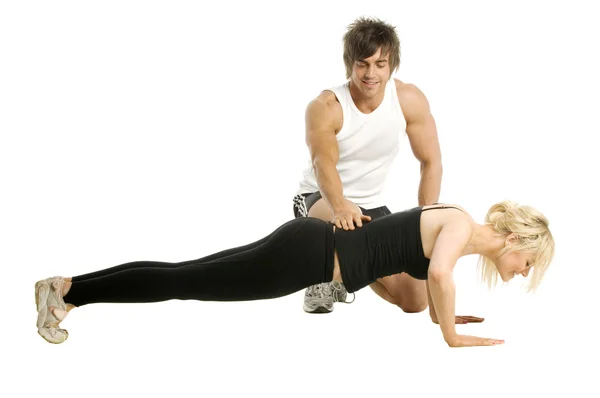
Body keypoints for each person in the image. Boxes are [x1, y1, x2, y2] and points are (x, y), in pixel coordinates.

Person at [34, 200, 554, 347]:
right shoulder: (462, 226)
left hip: (308, 247)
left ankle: (72, 292)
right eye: (525, 264)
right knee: (183, 280)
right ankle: (69, 291)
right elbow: (438, 275)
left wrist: (441, 314)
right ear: (514, 240)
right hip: (308, 258)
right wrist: (451, 334)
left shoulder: (456, 224)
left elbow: (419, 269)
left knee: (185, 274)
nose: (517, 273)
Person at [293, 16, 443, 314]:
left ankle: (342, 274)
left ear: (391, 65)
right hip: (321, 200)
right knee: (350, 228)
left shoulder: (409, 100)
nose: (371, 73)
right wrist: (340, 206)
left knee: (415, 299)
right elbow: (324, 164)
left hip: (372, 206)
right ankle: (321, 272)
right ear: (350, 64)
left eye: (380, 64)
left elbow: (431, 161)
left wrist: (426, 219)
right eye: (362, 64)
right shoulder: (326, 107)